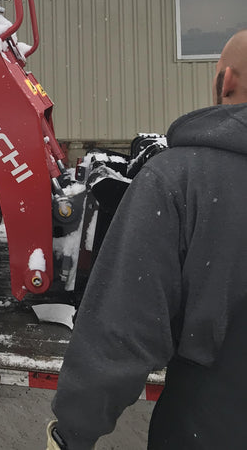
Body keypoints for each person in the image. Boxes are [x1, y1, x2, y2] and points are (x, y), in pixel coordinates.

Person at [47, 29, 247, 449]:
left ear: (225, 81)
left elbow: (119, 331)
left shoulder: (181, 179)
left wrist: (73, 432)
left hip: (210, 425)